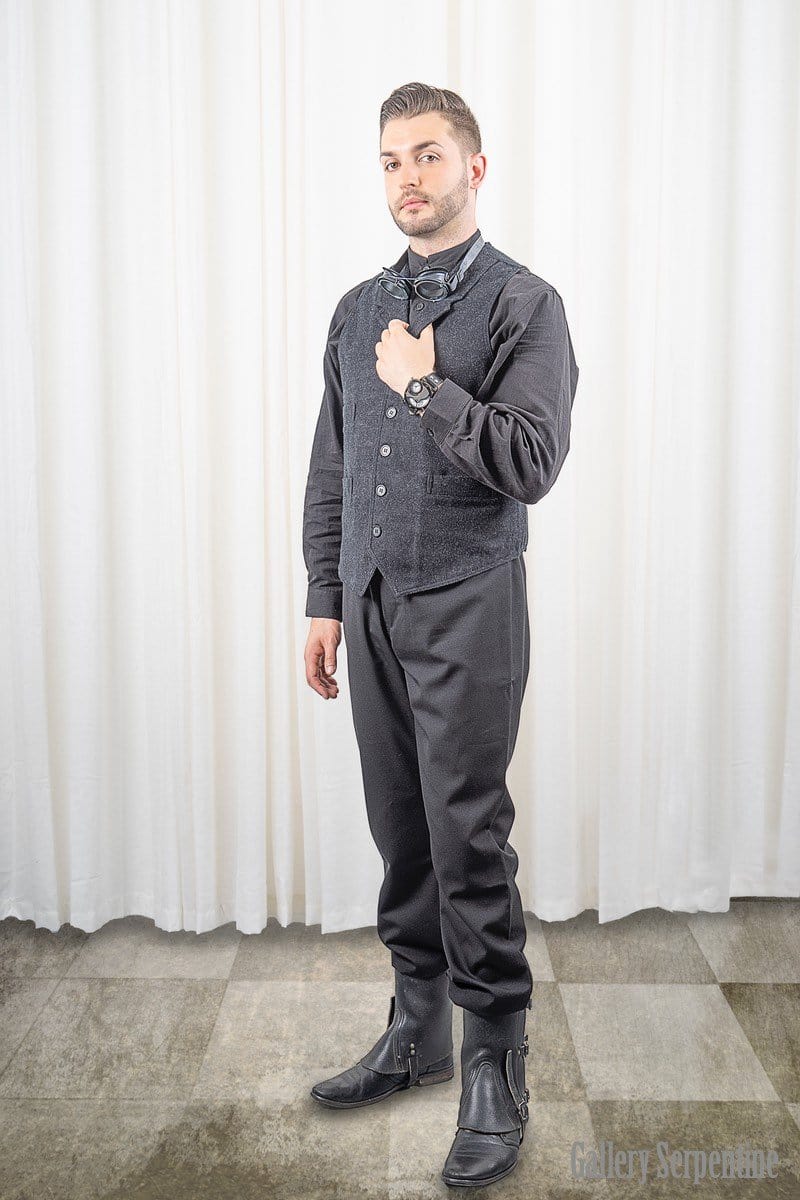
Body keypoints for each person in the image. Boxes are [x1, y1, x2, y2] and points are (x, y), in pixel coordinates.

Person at [302, 80, 579, 1190]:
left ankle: (493, 1064)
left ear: (473, 167)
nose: (405, 179)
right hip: (369, 601)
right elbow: (328, 462)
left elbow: (530, 462)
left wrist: (427, 393)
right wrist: (323, 594)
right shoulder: (356, 310)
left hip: (468, 596)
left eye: (425, 156)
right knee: (399, 832)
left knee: (467, 837)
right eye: (387, 161)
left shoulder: (525, 306)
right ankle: (417, 1031)